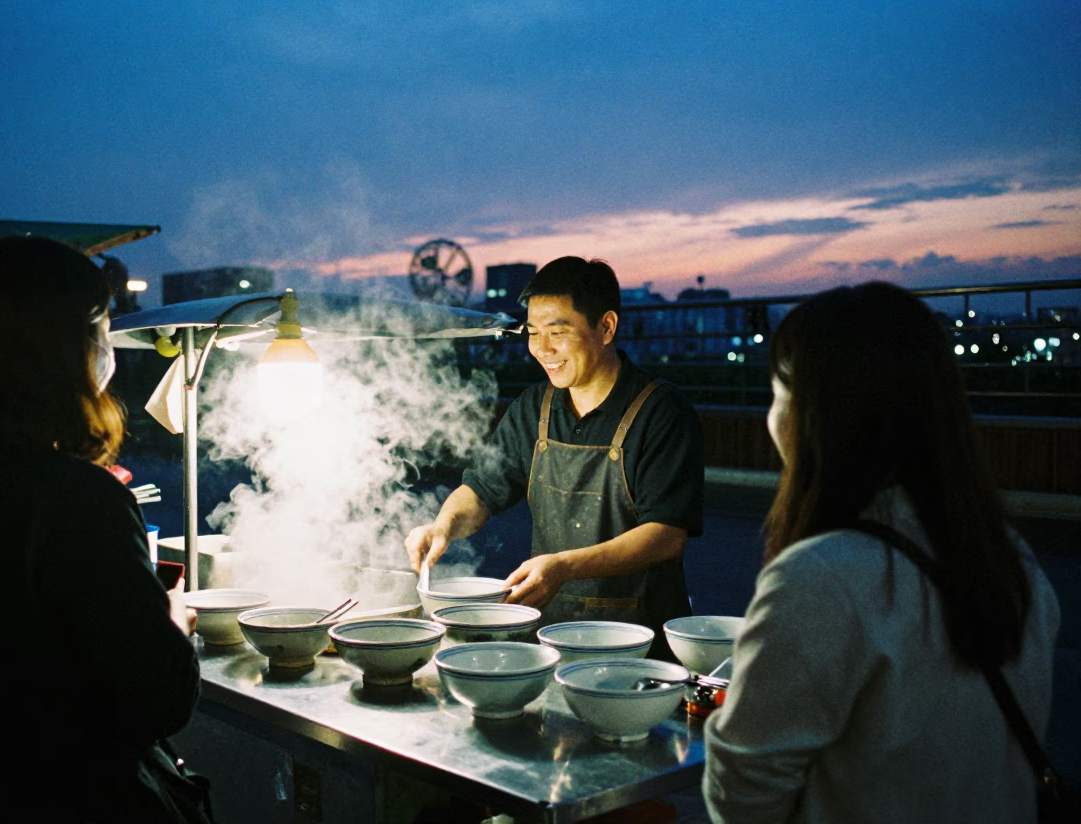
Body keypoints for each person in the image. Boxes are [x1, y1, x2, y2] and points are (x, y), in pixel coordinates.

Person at [0, 236, 202, 823]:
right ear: (66, 348)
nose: (108, 347)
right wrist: (171, 619)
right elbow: (159, 697)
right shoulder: (77, 498)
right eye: (101, 326)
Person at [703, 282, 1060, 823]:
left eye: (777, 392)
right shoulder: (1012, 558)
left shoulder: (819, 577)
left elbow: (742, 795)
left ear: (816, 414)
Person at [405, 256, 704, 658]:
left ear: (606, 327)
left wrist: (563, 566)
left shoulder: (661, 411)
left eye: (557, 332)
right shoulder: (534, 408)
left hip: (637, 643)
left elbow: (666, 536)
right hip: (548, 638)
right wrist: (443, 526)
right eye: (532, 332)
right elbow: (480, 492)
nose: (542, 348)